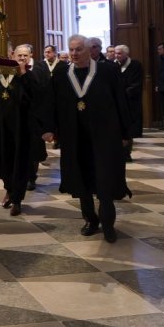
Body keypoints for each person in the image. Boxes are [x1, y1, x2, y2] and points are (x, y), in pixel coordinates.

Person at [40, 34, 131, 243]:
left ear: (90, 50)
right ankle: (90, 219)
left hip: (103, 137)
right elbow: (51, 103)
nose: (74, 54)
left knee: (105, 181)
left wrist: (126, 133)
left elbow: (120, 101)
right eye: (71, 50)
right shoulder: (62, 74)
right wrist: (48, 128)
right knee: (81, 181)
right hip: (74, 138)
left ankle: (108, 224)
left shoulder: (107, 71)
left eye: (79, 49)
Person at [0, 45, 46, 216]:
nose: (22, 58)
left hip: (21, 128)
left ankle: (17, 199)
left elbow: (36, 96)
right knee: (3, 162)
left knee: (20, 164)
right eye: (19, 55)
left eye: (25, 56)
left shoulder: (29, 76)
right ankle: (9, 189)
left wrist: (24, 74)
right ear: (12, 55)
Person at [114, 45, 143, 159]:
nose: (117, 55)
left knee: (128, 126)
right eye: (116, 53)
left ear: (126, 54)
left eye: (119, 53)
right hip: (118, 100)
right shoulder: (113, 65)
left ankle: (127, 152)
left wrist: (124, 93)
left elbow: (136, 83)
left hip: (131, 100)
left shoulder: (135, 65)